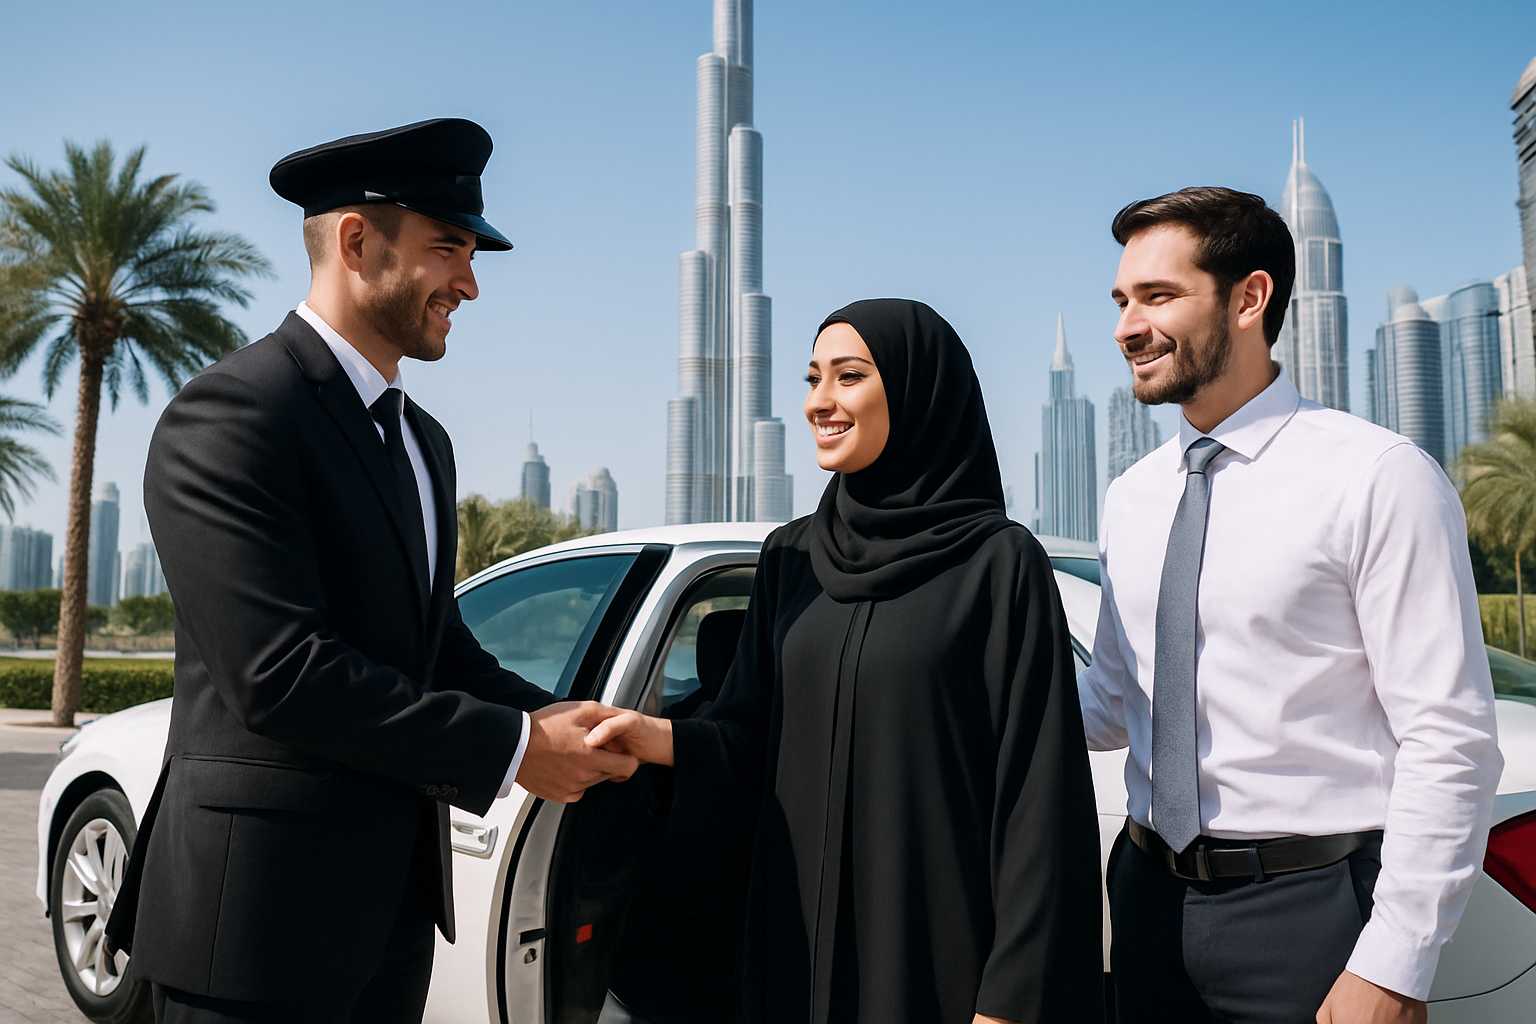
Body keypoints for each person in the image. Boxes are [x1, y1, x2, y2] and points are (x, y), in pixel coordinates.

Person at [104, 118, 638, 1024]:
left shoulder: (425, 442)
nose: (469, 284)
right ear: (356, 241)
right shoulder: (233, 414)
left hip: (390, 923)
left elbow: (435, 646)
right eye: (447, 250)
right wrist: (515, 749)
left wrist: (566, 723)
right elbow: (280, 673)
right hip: (254, 929)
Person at [588, 299, 1104, 1024]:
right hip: (797, 942)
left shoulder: (998, 564)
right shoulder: (791, 557)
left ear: (918, 392)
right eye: (812, 379)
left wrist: (1011, 1001)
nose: (818, 402)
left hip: (935, 951)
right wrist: (652, 737)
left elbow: (1039, 798)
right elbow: (751, 740)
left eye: (849, 376)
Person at [1080, 187, 1503, 1024]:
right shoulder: (1131, 498)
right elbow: (1114, 698)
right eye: (1122, 300)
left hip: (1311, 916)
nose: (1127, 326)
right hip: (1145, 901)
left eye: (1157, 296)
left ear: (1250, 298)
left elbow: (1449, 738)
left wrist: (1394, 966)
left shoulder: (1376, 477)